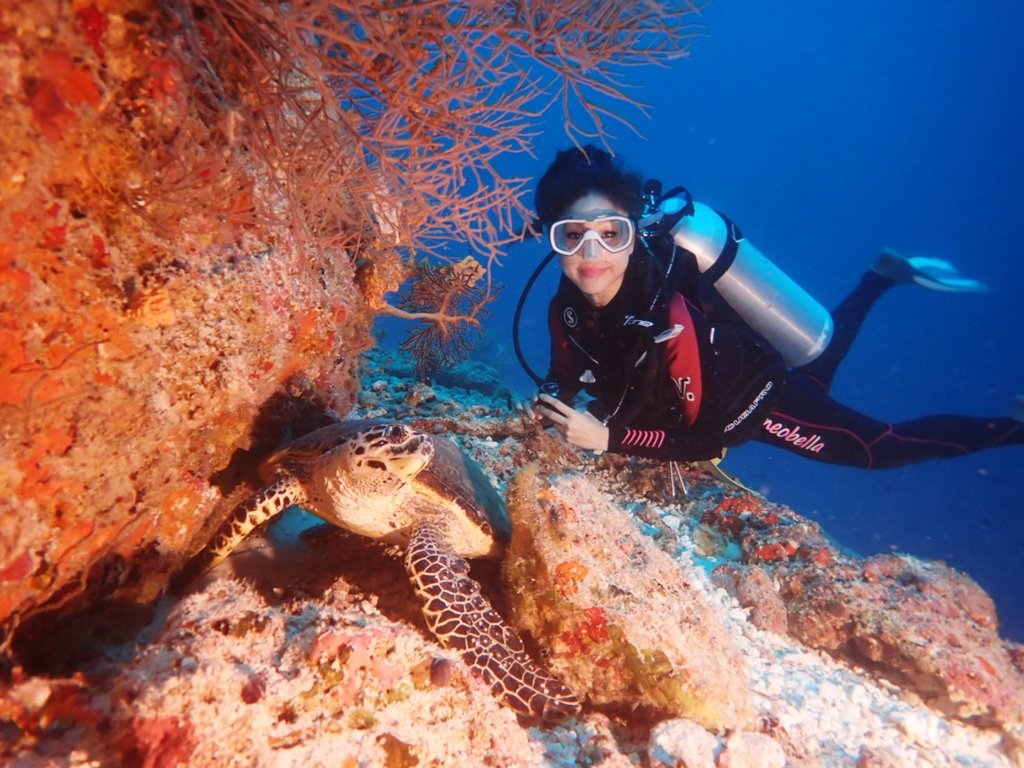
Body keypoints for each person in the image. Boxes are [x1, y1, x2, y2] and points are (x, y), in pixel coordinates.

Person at [528, 145, 1024, 468]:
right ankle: (879, 278)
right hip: (750, 358)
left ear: (633, 235)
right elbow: (565, 371)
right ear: (554, 240)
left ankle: (1013, 429)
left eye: (611, 234)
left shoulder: (671, 316)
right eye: (572, 235)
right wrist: (551, 401)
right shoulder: (565, 307)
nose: (592, 254)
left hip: (755, 401)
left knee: (877, 449)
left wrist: (607, 439)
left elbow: (707, 441)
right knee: (818, 357)